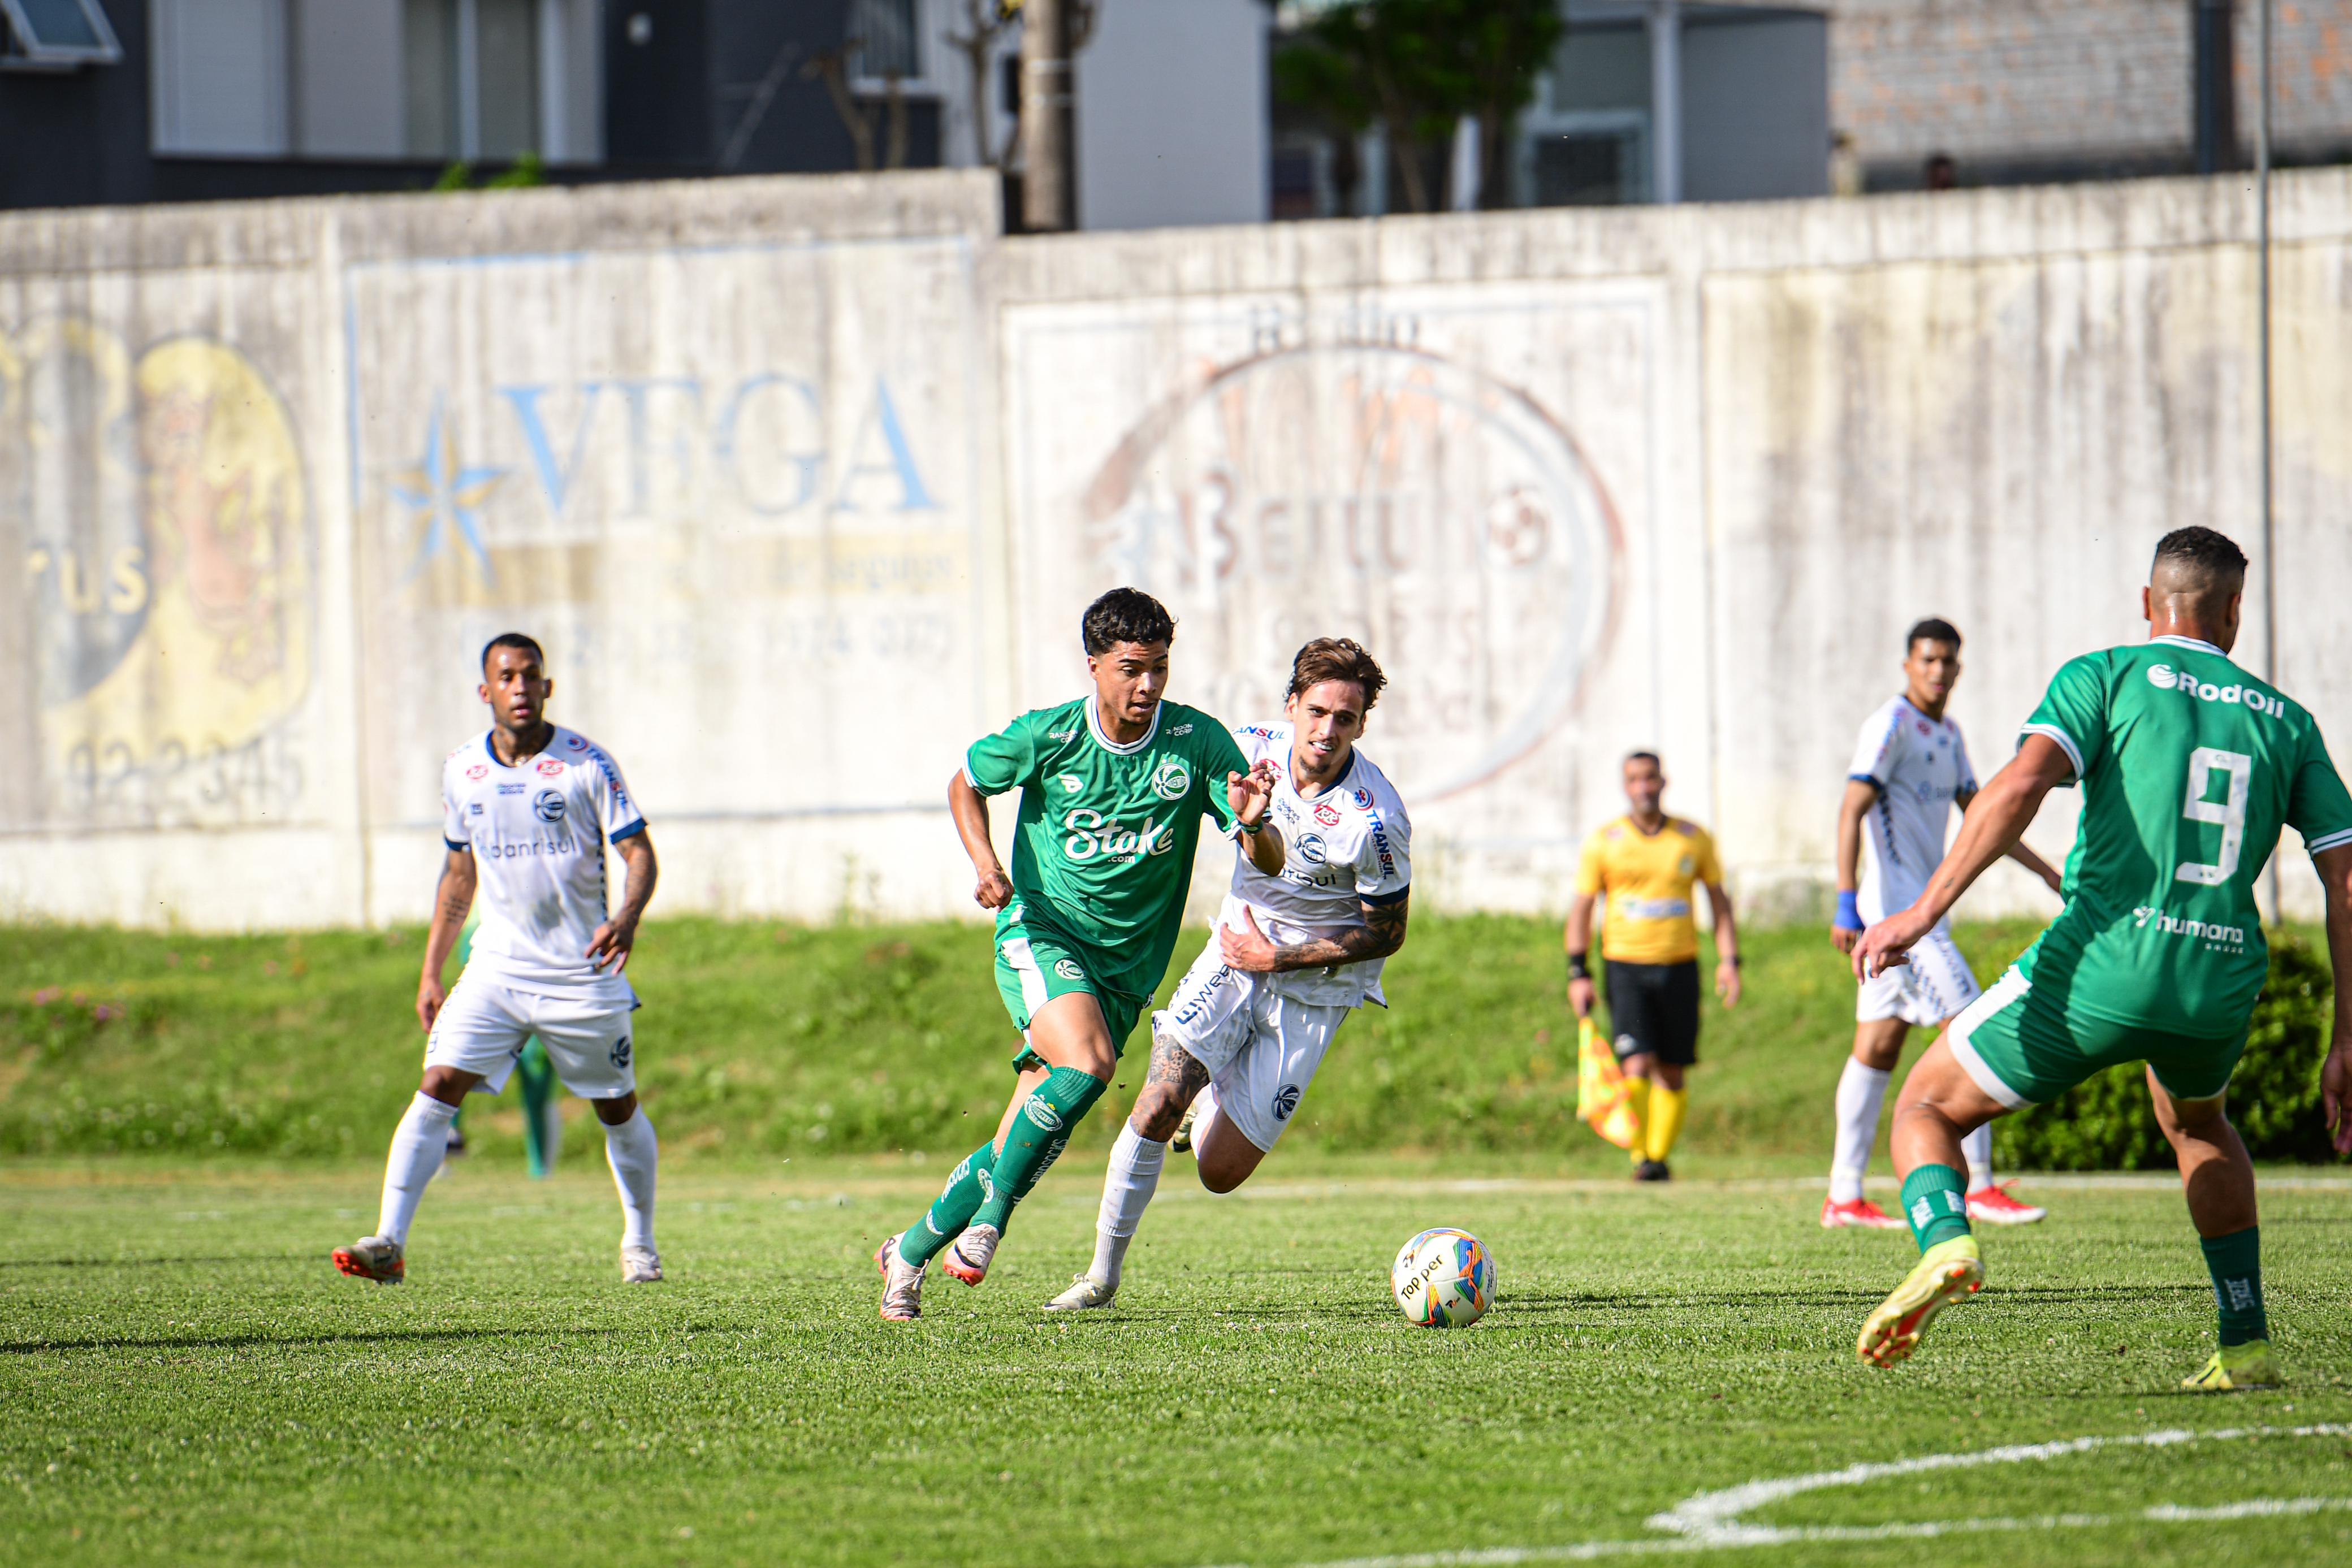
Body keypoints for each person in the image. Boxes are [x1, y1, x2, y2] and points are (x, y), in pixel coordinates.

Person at [1850, 528, 2352, 1388]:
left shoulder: (2106, 675)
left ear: (2147, 602)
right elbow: (2346, 881)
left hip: (2105, 960)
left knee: (1926, 1108)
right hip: (2220, 975)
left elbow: (2015, 787)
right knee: (2199, 1124)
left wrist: (1921, 910)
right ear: (2236, 609)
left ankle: (1948, 1244)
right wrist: (2345, 1036)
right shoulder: (2291, 721)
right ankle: (2246, 1341)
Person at [875, 588, 1282, 1322]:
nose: (1148, 685)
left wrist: (1257, 823)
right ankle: (990, 1223)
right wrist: (986, 864)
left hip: (1124, 976)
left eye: (1160, 667)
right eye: (1131, 668)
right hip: (1042, 932)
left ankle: (904, 1255)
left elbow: (1270, 858)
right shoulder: (1051, 736)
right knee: (1090, 1066)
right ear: (1093, 664)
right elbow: (966, 783)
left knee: (1024, 1133)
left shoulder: (1197, 743)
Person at [1043, 638, 1412, 1313]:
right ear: (1290, 705)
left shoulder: (1376, 819)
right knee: (1155, 1101)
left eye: (1346, 718)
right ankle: (1100, 1275)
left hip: (1313, 990)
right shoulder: (1243, 748)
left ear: (1362, 725)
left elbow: (1387, 932)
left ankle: (1209, 1098)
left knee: (1218, 1173)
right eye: (1318, 710)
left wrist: (1278, 958)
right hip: (1233, 952)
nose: (1328, 730)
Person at [333, 633, 661, 1285]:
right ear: (486, 691)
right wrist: (430, 970)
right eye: (506, 677)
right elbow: (458, 877)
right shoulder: (462, 769)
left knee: (615, 1105)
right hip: (497, 968)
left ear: (547, 687)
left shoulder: (585, 765)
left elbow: (639, 852)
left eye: (530, 676)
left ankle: (640, 1242)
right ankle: (390, 1242)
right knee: (437, 1085)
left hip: (581, 970)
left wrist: (626, 918)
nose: (519, 687)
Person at [1823, 618, 2064, 1229]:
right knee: (1971, 1025)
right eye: (1927, 659)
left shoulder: (1948, 732)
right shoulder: (1890, 725)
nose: (1937, 670)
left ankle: (1843, 1194)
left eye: (1946, 661)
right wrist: (1846, 902)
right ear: (1907, 663)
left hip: (1917, 916)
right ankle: (1978, 1185)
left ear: (1957, 667)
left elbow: (1983, 817)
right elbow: (1851, 809)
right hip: (1898, 919)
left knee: (1875, 1050)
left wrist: (2045, 872)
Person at [1565, 752, 1741, 1181]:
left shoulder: (1691, 839)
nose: (1643, 787)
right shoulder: (1605, 841)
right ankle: (1641, 1156)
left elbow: (1719, 902)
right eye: (1634, 780)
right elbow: (1583, 909)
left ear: (1664, 782)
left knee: (1673, 1068)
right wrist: (1578, 970)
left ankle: (1658, 1157)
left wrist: (1730, 960)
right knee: (1636, 1062)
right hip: (1625, 966)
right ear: (1625, 787)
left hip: (1680, 965)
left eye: (1650, 778)